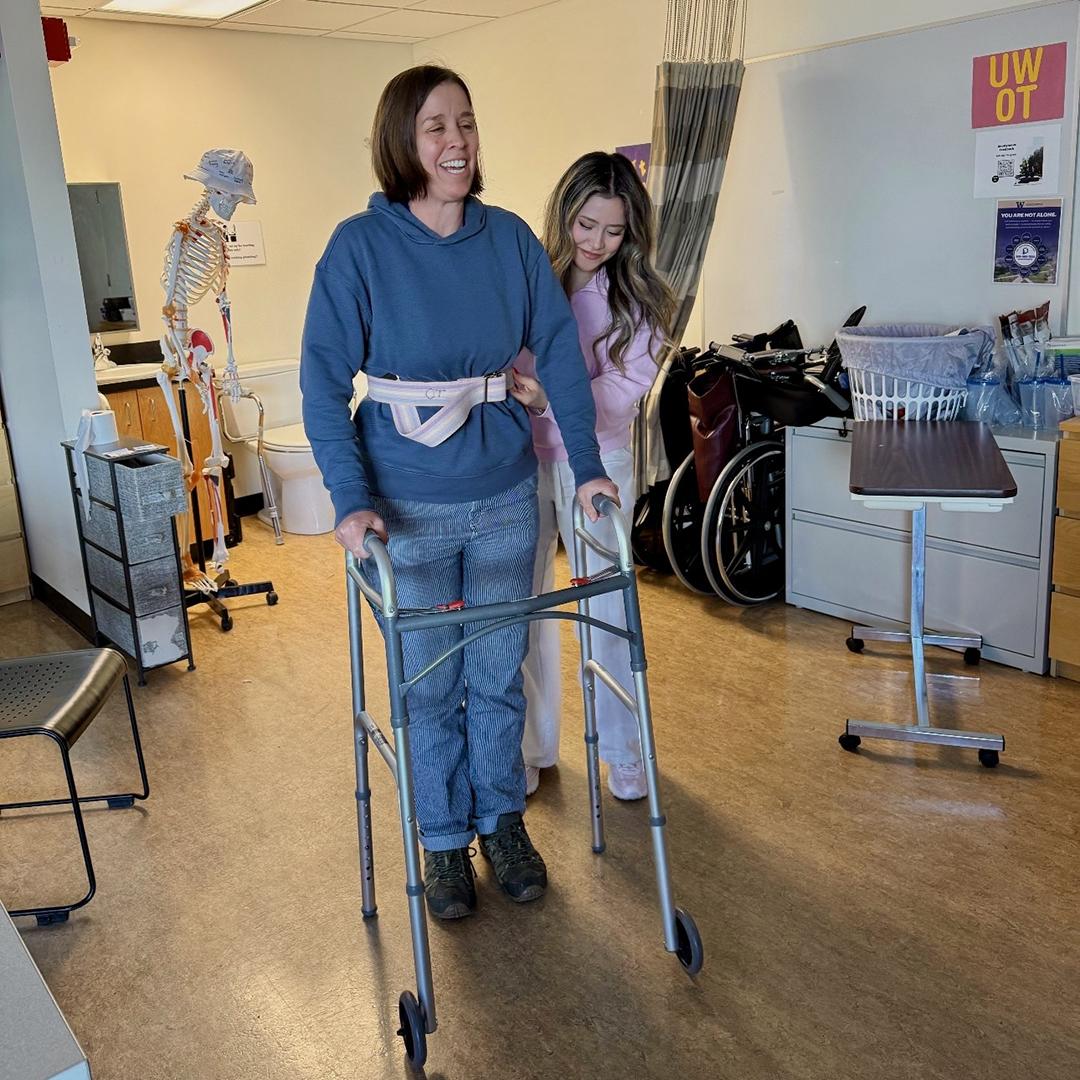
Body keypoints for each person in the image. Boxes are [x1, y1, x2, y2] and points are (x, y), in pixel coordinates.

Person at [300, 67, 618, 921]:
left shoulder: (510, 240)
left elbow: (556, 354)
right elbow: (324, 381)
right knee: (429, 684)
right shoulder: (358, 249)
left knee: (498, 672)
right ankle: (442, 839)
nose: (456, 142)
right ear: (403, 141)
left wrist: (586, 466)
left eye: (467, 124)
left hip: (507, 496)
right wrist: (348, 496)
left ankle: (499, 821)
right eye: (436, 126)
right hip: (407, 509)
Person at [510, 151, 674, 801]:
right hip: (522, 459)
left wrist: (550, 398)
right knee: (524, 608)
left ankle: (625, 750)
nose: (597, 243)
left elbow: (623, 393)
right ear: (563, 215)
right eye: (585, 225)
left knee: (606, 609)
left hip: (598, 462)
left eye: (613, 230)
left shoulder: (643, 302)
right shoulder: (529, 282)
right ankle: (530, 747)